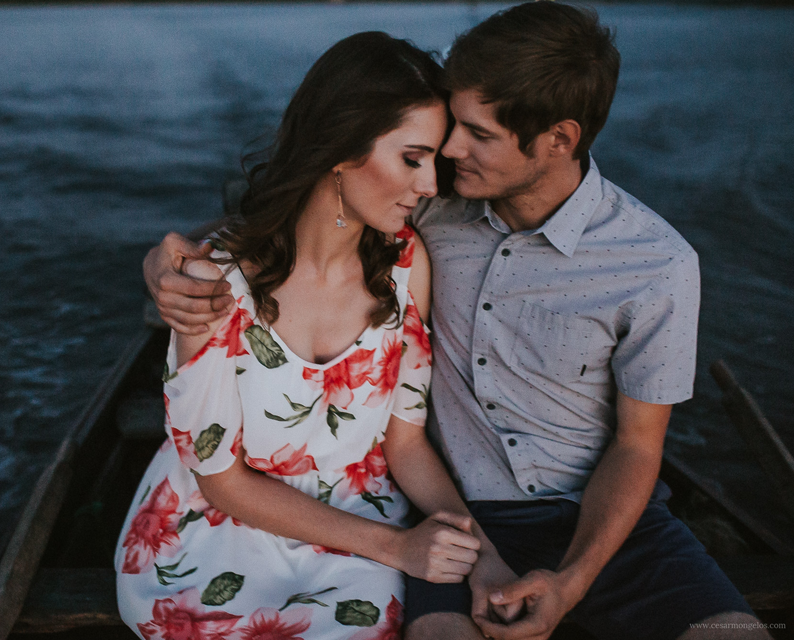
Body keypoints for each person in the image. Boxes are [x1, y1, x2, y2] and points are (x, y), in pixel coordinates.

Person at [142, 5, 770, 640]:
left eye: (478, 133)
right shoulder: (429, 208)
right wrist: (163, 260)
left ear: (560, 138)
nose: (447, 154)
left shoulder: (657, 265)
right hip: (458, 509)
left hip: (606, 521)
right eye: (446, 133)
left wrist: (572, 581)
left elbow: (638, 447)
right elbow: (290, 216)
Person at [115, 31, 507, 640]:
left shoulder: (407, 266)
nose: (432, 184)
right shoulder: (215, 284)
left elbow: (405, 445)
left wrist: (481, 553)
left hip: (356, 525)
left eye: (434, 159)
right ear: (342, 151)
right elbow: (221, 481)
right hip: (216, 535)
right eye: (412, 158)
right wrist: (399, 549)